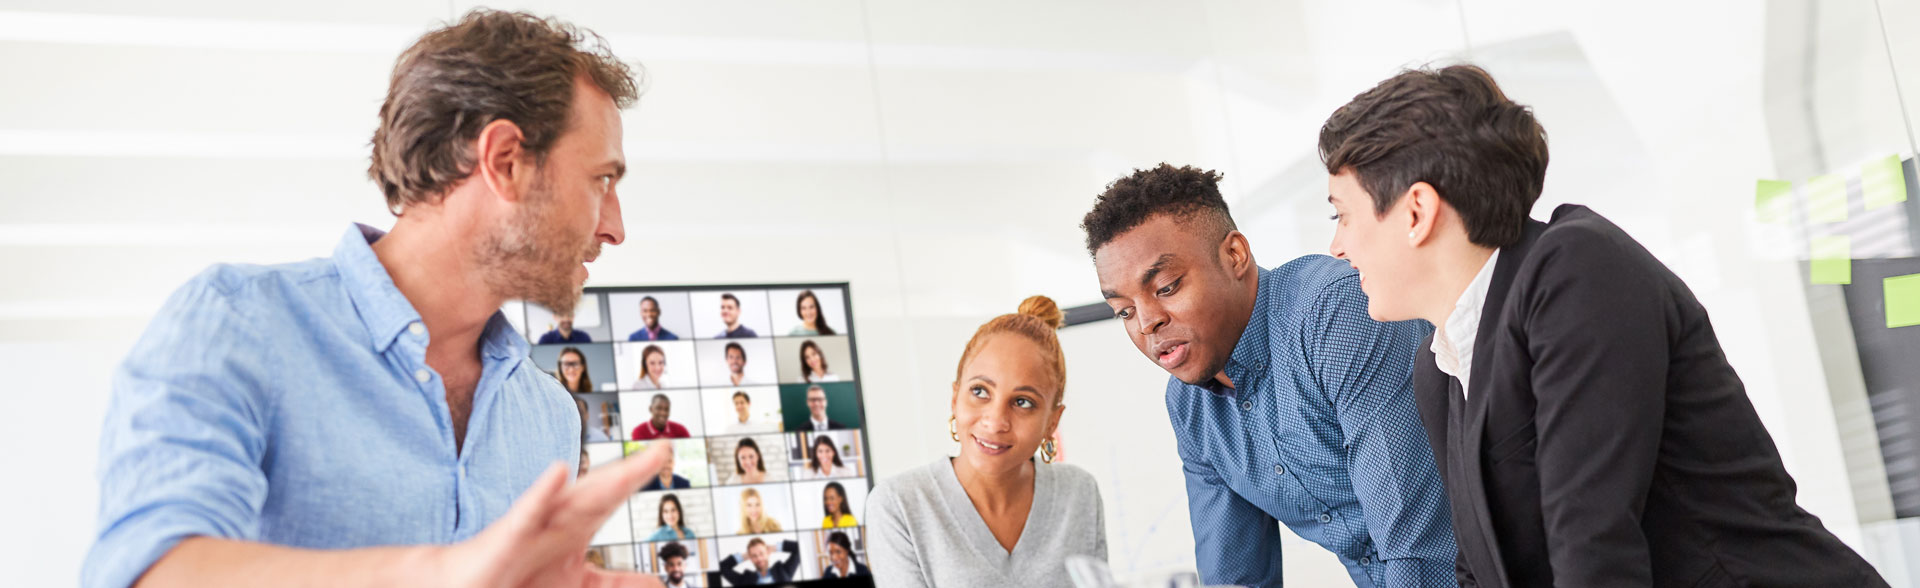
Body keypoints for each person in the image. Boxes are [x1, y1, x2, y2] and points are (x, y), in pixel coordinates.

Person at [82, 10, 674, 588]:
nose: (615, 228)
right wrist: (442, 574)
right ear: (505, 161)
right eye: (602, 180)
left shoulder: (548, 419)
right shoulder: (237, 322)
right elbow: (149, 569)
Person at [1319, 65, 1890, 588]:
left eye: (1342, 214)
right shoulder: (1439, 367)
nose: (1337, 247)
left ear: (1417, 212)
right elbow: (1482, 570)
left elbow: (1593, 547)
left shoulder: (1575, 269)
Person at [1080, 163, 1455, 588]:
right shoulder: (1190, 406)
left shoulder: (1335, 313)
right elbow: (1235, 578)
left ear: (1235, 256)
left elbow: (1419, 546)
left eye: (1166, 287)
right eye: (1124, 312)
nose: (1147, 322)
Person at [867, 296, 1106, 587]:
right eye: (980, 391)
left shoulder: (1079, 493)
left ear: (1052, 422)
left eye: (1022, 402)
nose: (995, 422)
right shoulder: (900, 505)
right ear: (955, 399)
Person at [718, 538, 799, 585]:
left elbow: (799, 548)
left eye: (761, 553)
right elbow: (722, 567)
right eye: (754, 556)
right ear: (750, 558)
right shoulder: (744, 580)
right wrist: (744, 556)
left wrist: (775, 547)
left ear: (767, 553)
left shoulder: (783, 572)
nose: (759, 558)